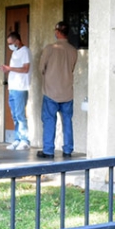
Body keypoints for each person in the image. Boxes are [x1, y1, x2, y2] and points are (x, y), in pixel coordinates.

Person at [38, 21, 78, 158]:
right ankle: (68, 150)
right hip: (67, 92)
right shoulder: (73, 50)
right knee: (67, 121)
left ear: (57, 32)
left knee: (49, 120)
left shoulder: (50, 48)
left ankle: (48, 151)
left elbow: (41, 68)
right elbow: (71, 68)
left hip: (51, 91)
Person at [0, 31, 31, 150]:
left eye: (11, 43)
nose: (10, 46)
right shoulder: (15, 52)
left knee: (20, 115)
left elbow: (25, 69)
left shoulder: (25, 51)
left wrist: (9, 68)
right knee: (14, 115)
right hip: (12, 87)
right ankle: (17, 139)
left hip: (20, 88)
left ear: (17, 41)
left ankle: (24, 140)